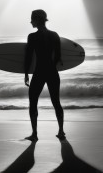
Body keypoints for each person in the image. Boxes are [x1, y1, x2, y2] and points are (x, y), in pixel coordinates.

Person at [24, 9, 65, 141]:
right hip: (52, 71)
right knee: (56, 102)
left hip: (39, 72)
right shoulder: (54, 35)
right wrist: (52, 65)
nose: (31, 22)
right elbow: (58, 56)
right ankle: (61, 131)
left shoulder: (32, 37)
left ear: (36, 20)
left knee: (33, 102)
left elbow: (29, 57)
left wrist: (26, 74)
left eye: (32, 19)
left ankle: (34, 134)